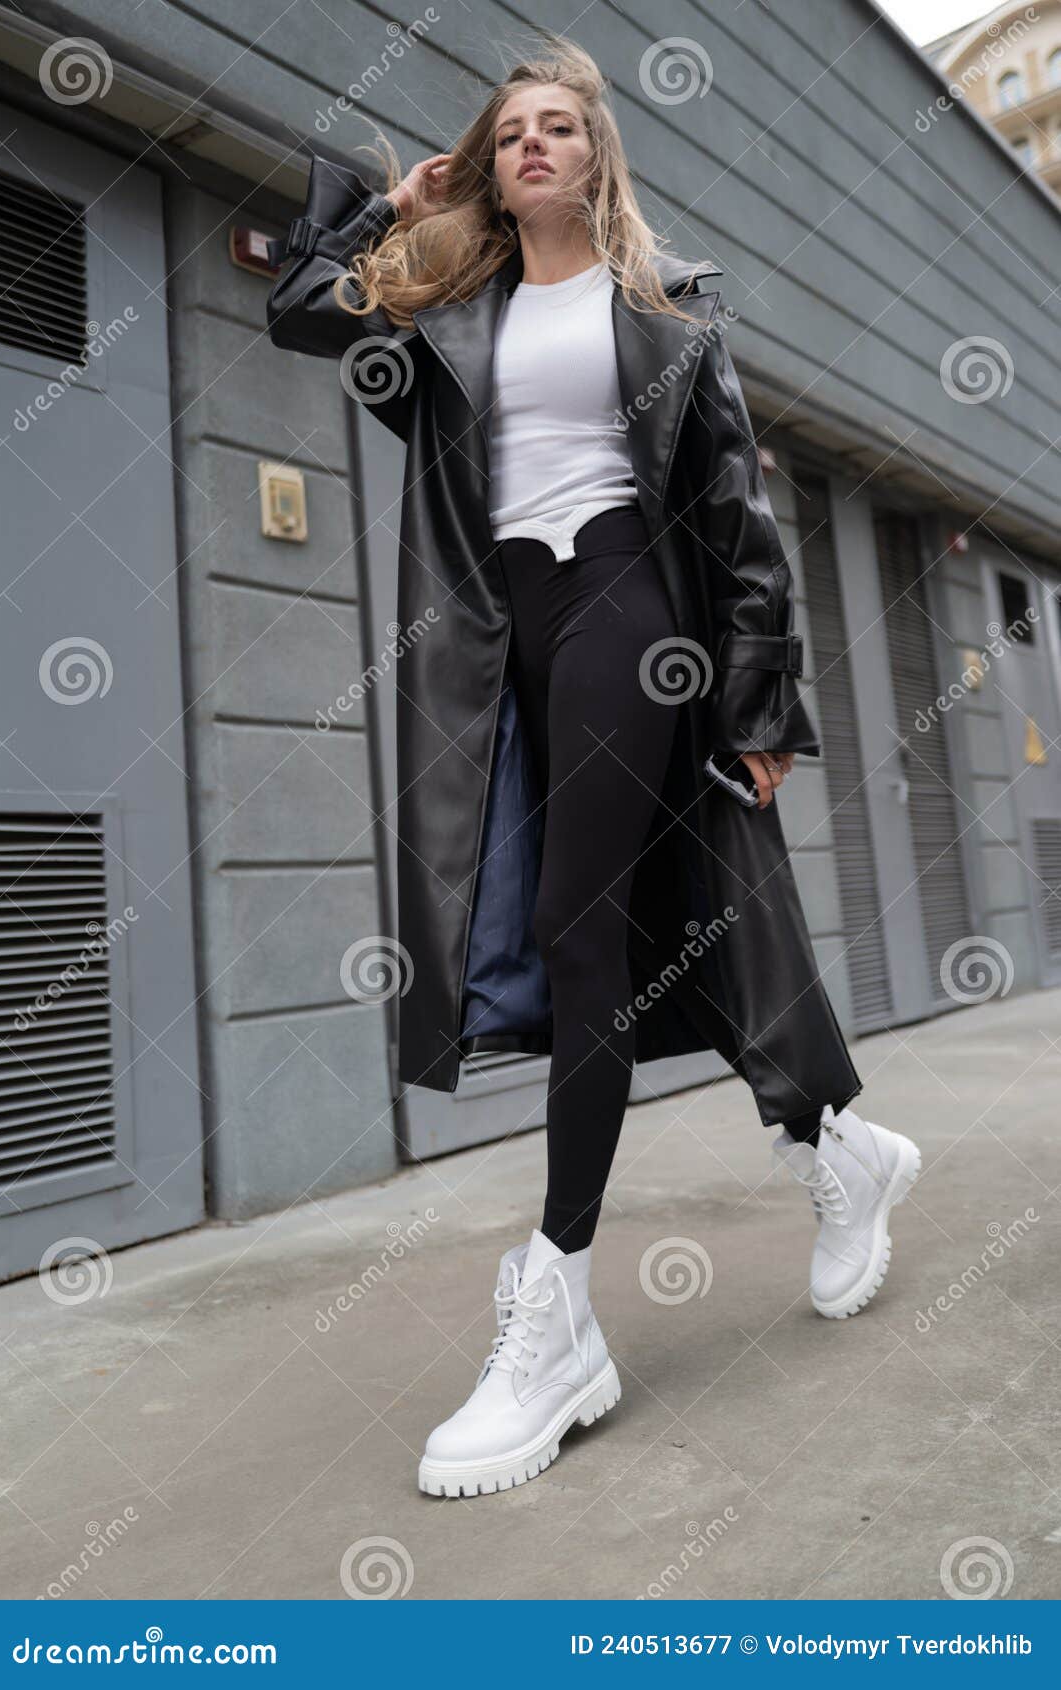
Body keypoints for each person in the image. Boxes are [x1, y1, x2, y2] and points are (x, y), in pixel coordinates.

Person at [266, 38, 921, 1501]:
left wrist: (758, 704)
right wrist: (387, 209)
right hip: (509, 636)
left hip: (629, 609)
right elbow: (301, 309)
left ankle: (557, 1298)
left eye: (563, 125)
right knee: (645, 924)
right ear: (489, 165)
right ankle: (839, 1140)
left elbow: (743, 527)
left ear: (599, 154)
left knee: (577, 939)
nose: (538, 145)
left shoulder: (666, 316)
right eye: (513, 133)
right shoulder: (448, 317)